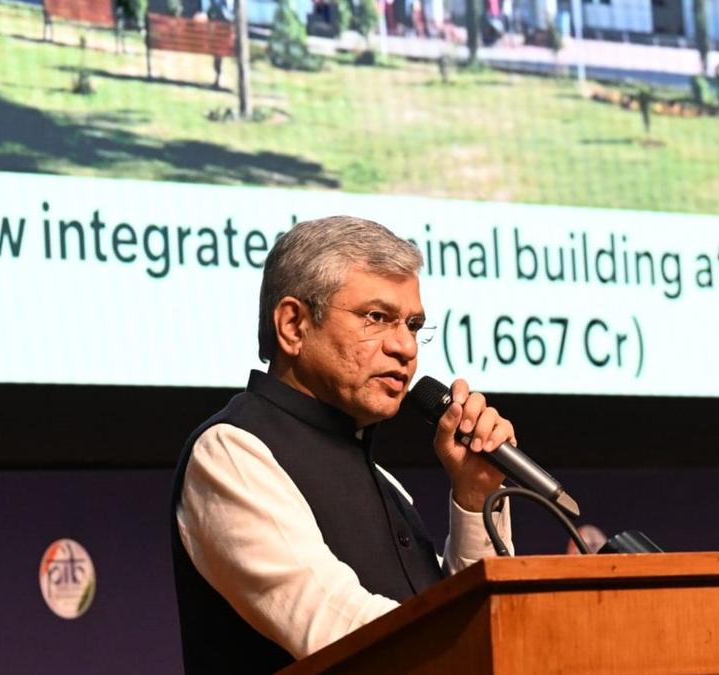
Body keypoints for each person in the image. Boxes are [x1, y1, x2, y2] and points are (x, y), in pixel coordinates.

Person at [171, 216, 516, 674]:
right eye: (377, 317)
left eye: (414, 325)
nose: (406, 347)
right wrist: (495, 641)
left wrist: (475, 496)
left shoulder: (381, 480)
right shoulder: (232, 454)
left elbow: (458, 613)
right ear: (293, 325)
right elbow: (348, 633)